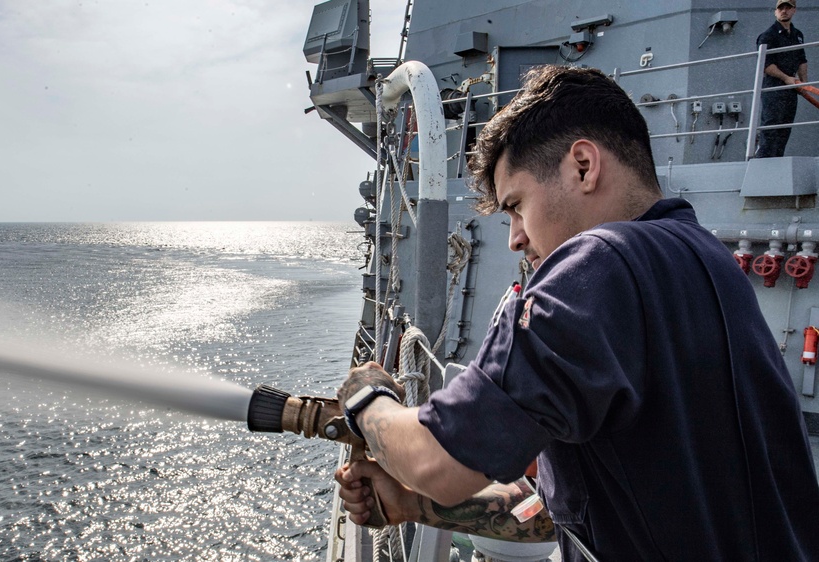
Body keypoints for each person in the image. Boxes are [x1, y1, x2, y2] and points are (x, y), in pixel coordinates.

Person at [335, 65, 819, 560]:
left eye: (517, 205)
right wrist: (416, 505)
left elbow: (436, 460)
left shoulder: (596, 267)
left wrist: (367, 399)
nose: (515, 237)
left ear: (584, 166)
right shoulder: (709, 263)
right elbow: (566, 513)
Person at [755, 0, 808, 158]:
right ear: (775, 12)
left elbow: (801, 59)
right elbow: (766, 64)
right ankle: (764, 165)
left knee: (784, 129)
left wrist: (803, 83)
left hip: (791, 89)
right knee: (771, 128)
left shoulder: (797, 35)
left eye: (787, 8)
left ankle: (777, 163)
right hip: (774, 87)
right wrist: (786, 78)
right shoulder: (768, 35)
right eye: (780, 8)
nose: (784, 11)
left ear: (794, 11)